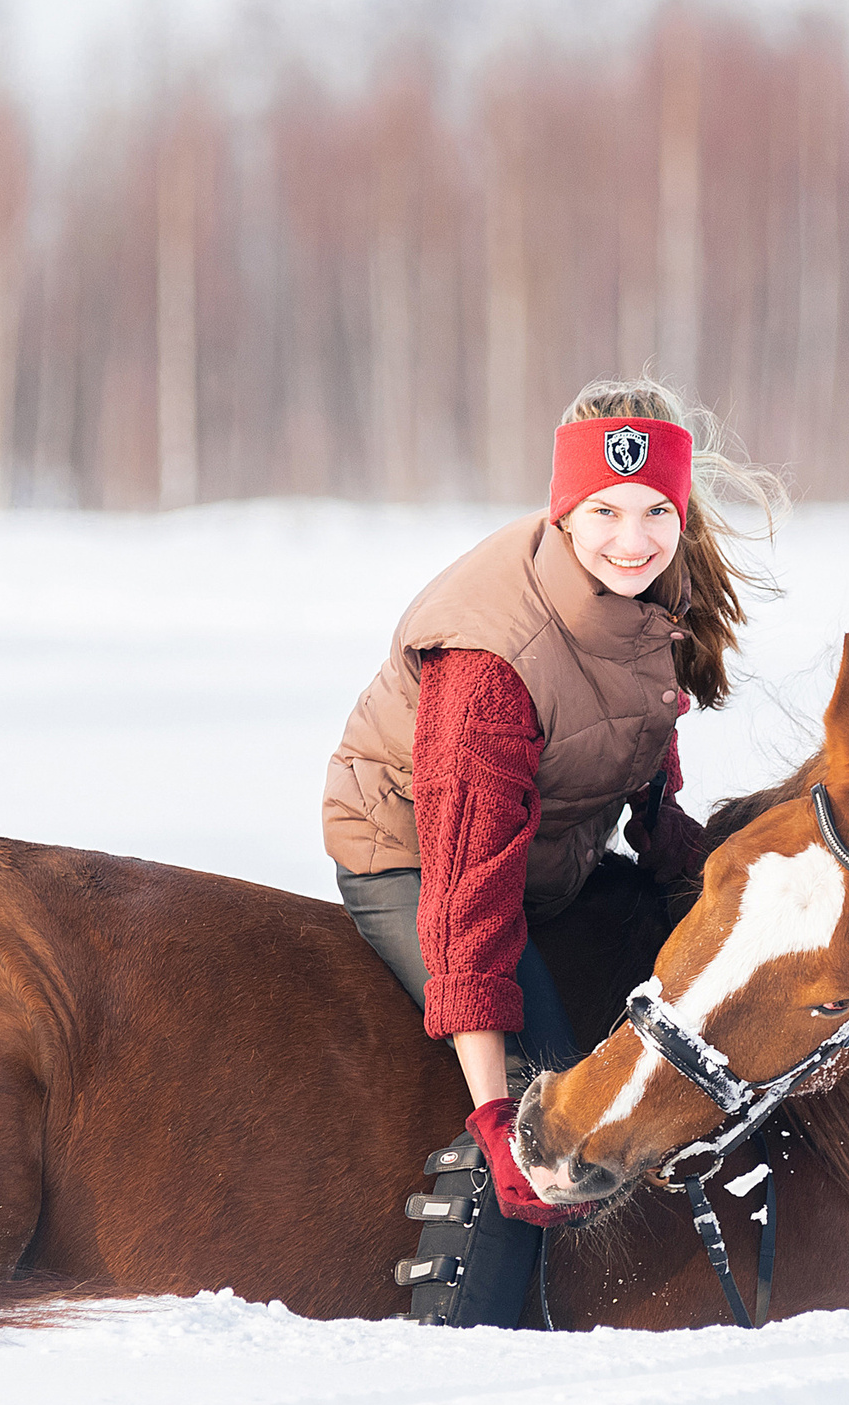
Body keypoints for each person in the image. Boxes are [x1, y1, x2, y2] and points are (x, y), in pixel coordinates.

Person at [324, 378, 775, 1322]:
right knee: (552, 1109)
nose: (633, 537)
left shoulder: (650, 589)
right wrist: (496, 1112)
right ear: (565, 507)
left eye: (657, 511)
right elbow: (465, 894)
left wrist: (698, 877)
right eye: (605, 511)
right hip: (415, 852)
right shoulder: (493, 658)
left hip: (546, 855)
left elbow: (634, 744)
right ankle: (468, 1336)